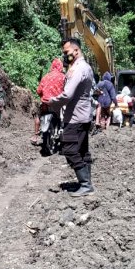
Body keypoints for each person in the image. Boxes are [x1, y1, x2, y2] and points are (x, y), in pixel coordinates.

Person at [49, 38, 95, 197]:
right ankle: (87, 182)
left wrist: (52, 103)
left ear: (76, 50)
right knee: (82, 150)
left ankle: (85, 184)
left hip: (74, 117)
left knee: (69, 149)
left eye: (66, 53)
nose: (64, 56)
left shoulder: (77, 69)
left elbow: (67, 94)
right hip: (84, 115)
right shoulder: (87, 67)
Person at [33, 58, 66, 144]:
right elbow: (67, 91)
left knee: (38, 116)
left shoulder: (45, 77)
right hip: (57, 103)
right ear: (60, 66)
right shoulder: (63, 77)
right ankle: (63, 132)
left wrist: (43, 97)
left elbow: (39, 91)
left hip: (45, 103)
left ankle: (35, 135)